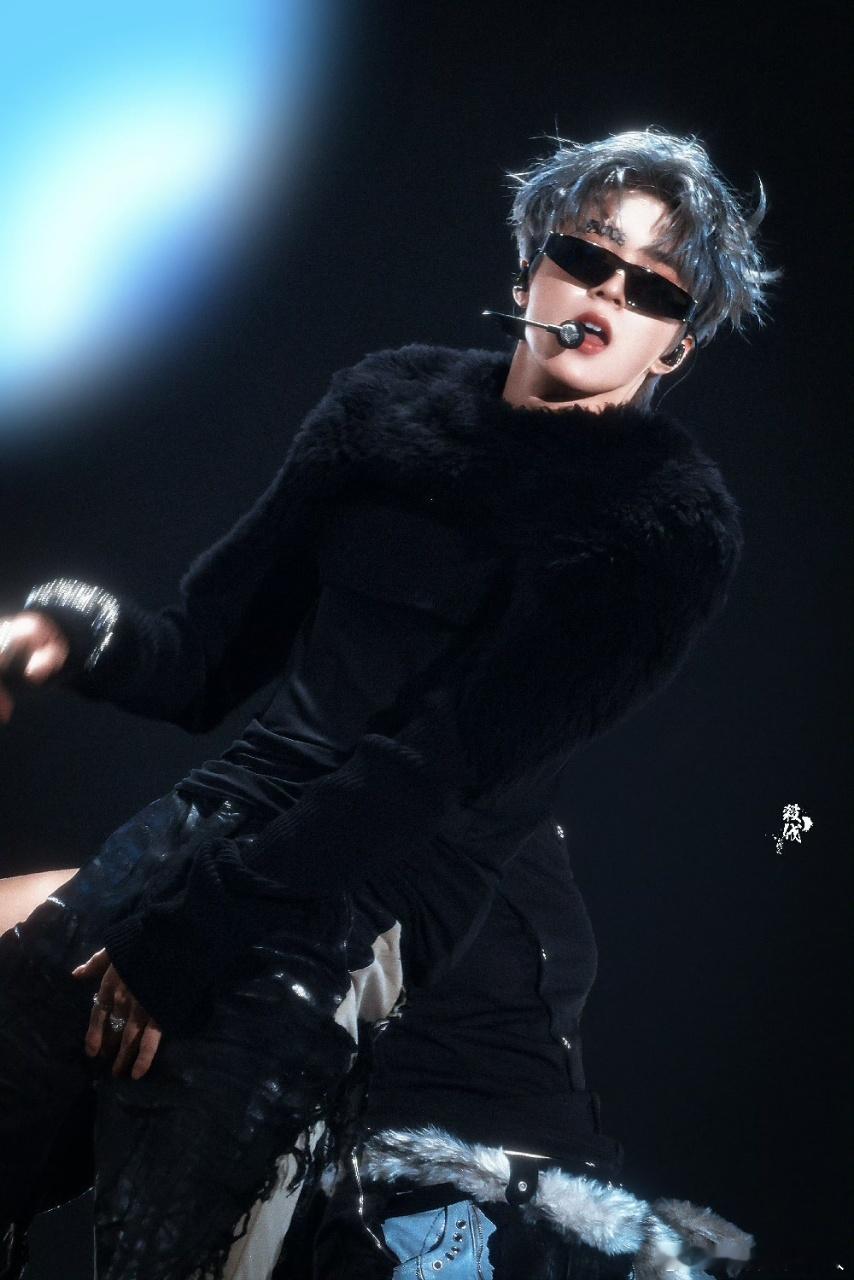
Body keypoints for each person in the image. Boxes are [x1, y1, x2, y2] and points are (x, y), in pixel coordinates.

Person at [0, 128, 774, 1280]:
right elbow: (203, 658)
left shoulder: (664, 521)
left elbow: (427, 770)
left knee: (173, 1234)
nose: (606, 293)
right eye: (585, 253)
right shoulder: (385, 402)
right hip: (202, 836)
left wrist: (190, 932)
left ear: (675, 341)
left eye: (651, 286)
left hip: (357, 896)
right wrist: (62, 628)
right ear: (530, 266)